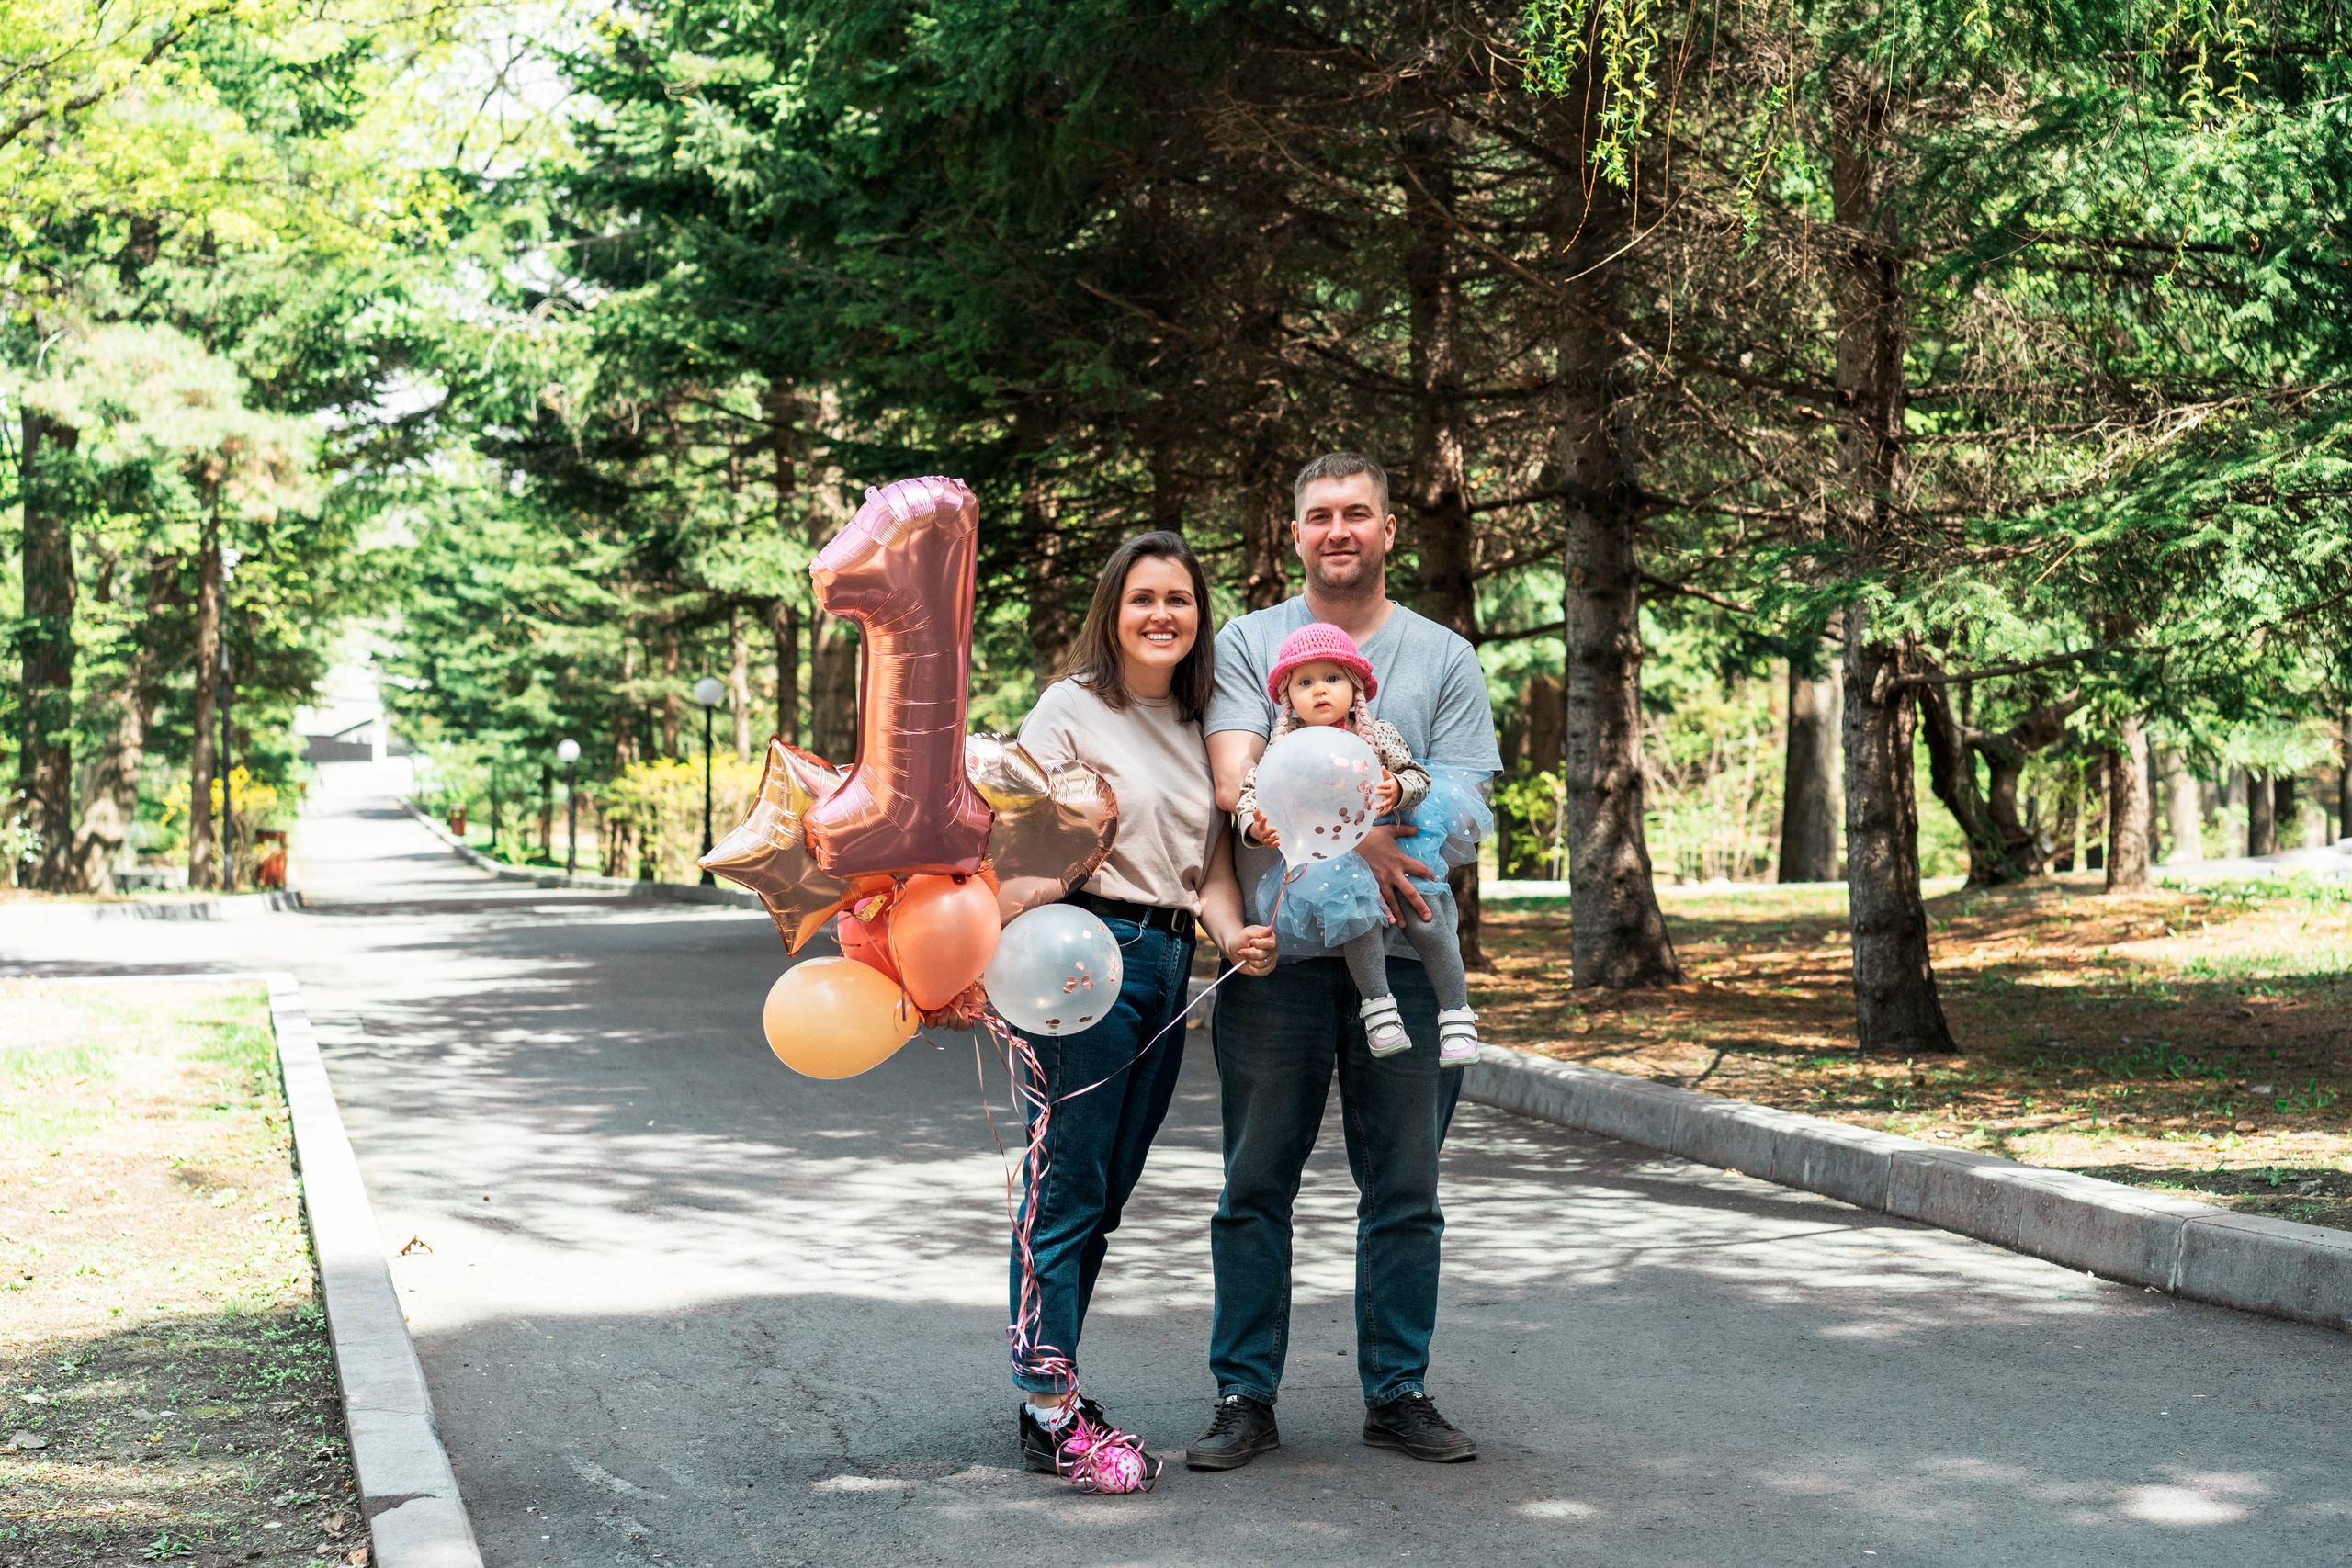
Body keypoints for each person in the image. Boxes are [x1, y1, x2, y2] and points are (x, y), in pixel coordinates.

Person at [1186, 453, 1500, 1472]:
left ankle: (1398, 1393)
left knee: (1404, 1188)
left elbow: (1457, 813)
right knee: (1253, 1185)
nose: (1338, 530)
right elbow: (1239, 786)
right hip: (1275, 957)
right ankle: (1244, 1397)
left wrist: (1368, 827)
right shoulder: (1245, 644)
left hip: (1402, 956)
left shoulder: (1442, 656)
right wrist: (1356, 832)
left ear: (1388, 529)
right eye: (1318, 515)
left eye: (1356, 513)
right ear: (1293, 534)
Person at [1007, 530, 1279, 1480]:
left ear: (1198, 616)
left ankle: (1054, 1382)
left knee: (1108, 1187)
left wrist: (1234, 932)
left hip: (1166, 956)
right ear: (1112, 612)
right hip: (1078, 951)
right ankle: (1046, 1403)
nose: (1162, 613)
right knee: (1066, 1183)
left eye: (1179, 598)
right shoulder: (1070, 708)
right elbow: (1018, 836)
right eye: (1142, 597)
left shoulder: (1203, 721)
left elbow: (1204, 869)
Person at [1233, 622, 1490, 1066]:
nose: (1320, 691)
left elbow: (1417, 775)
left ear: (1354, 688)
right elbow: (1251, 797)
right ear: (1287, 697)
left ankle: (1456, 1013)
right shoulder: (1284, 750)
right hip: (1332, 857)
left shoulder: (1378, 734)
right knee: (1355, 923)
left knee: (1427, 921)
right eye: (1305, 683)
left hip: (1395, 840)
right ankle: (1379, 1010)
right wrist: (1255, 829)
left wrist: (1398, 789)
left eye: (1332, 679)